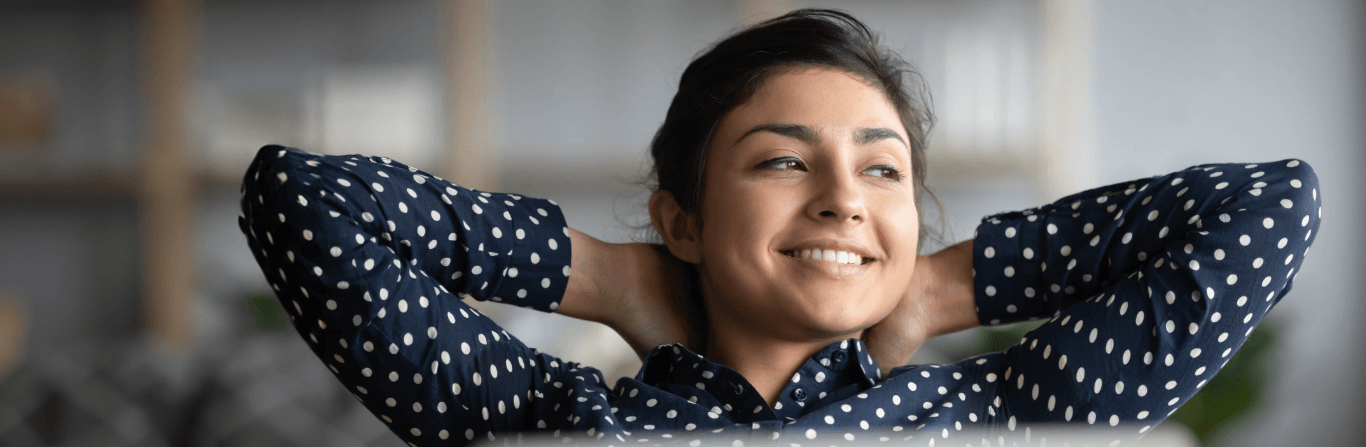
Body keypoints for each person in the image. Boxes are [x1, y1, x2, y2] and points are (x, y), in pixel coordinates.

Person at [237, 9, 1320, 446]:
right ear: (686, 222)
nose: (844, 196)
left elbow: (1270, 205)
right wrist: (608, 277)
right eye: (784, 160)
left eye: (882, 169)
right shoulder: (550, 418)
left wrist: (941, 288)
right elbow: (300, 198)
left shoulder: (996, 410)